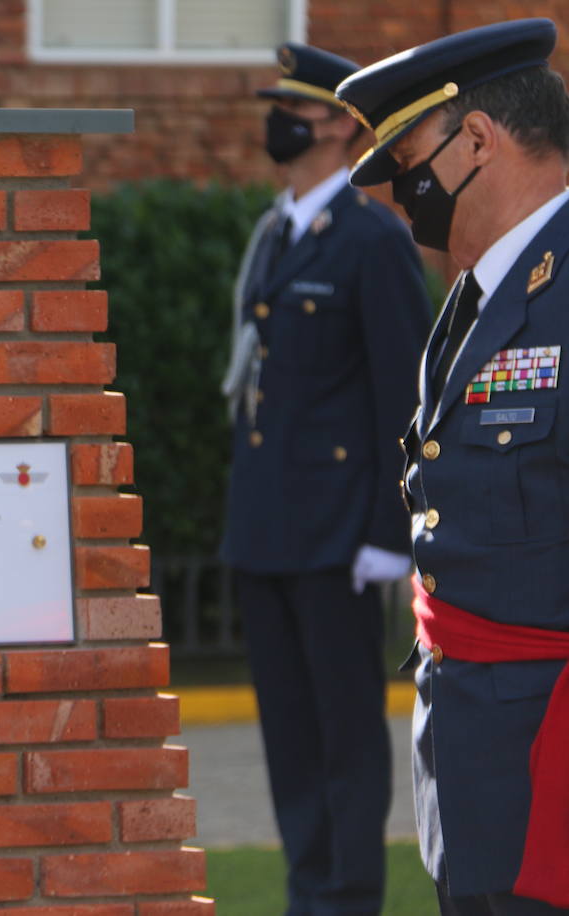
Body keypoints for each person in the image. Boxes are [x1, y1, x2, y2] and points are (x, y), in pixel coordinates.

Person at [337, 17, 569, 916]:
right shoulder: (476, 293)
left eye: (409, 162)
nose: (402, 191)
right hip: (470, 742)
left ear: (479, 138)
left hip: (547, 744)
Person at [219, 42, 432, 916]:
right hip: (270, 528)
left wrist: (391, 535)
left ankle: (346, 898)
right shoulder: (277, 229)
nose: (277, 120)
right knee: (289, 737)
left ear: (341, 124)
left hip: (342, 536)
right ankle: (309, 889)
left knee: (345, 736)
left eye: (293, 108)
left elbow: (402, 392)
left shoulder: (372, 239)